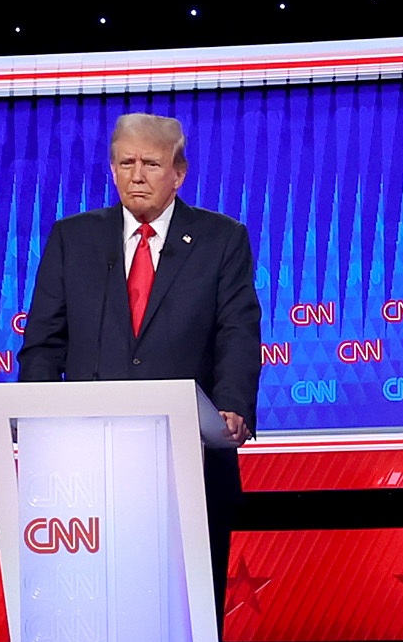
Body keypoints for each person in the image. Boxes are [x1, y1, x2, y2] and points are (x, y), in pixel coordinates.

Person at [19, 112, 261, 604]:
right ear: (111, 170)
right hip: (89, 467)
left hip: (188, 461)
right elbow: (44, 342)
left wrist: (233, 405)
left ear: (179, 173)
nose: (137, 175)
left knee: (188, 607)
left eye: (151, 163)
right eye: (125, 162)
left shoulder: (221, 238)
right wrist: (39, 423)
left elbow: (237, 330)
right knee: (97, 603)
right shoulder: (74, 238)